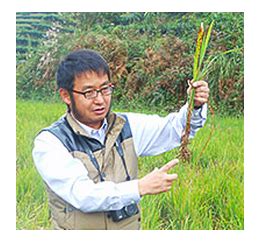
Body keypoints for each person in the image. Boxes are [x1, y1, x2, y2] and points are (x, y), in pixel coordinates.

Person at [32, 49, 209, 230]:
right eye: (89, 93)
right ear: (66, 95)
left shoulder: (125, 126)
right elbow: (82, 194)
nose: (100, 100)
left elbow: (173, 130)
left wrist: (194, 106)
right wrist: (139, 187)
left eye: (105, 89)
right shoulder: (51, 142)